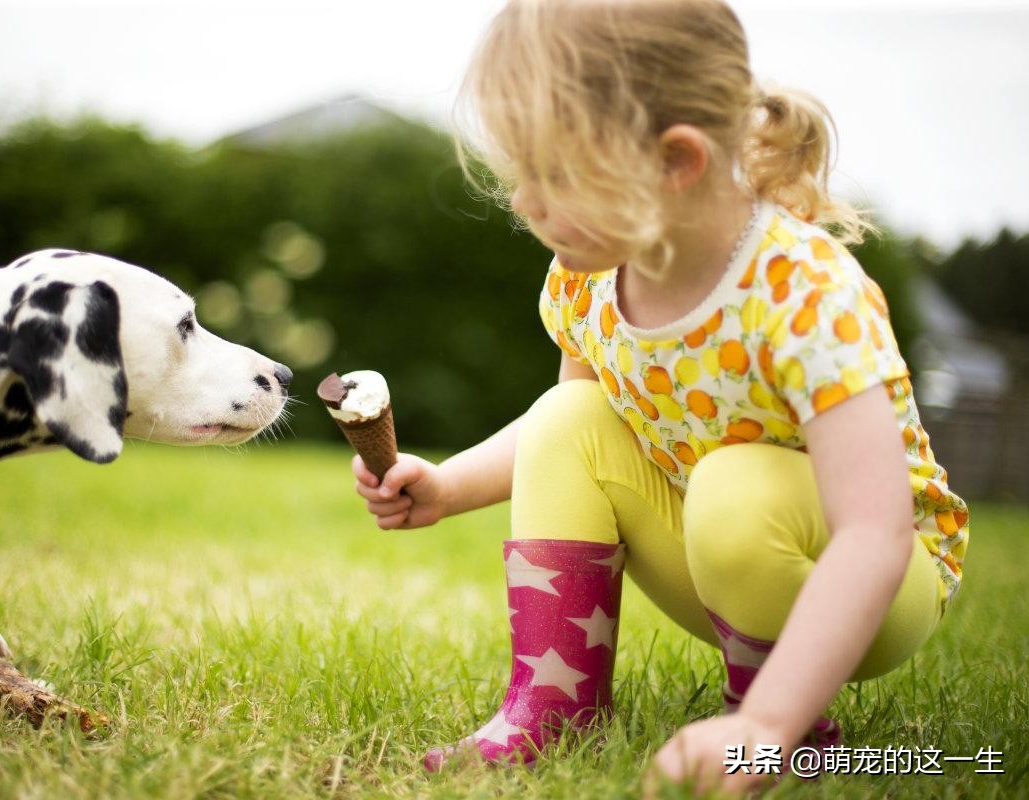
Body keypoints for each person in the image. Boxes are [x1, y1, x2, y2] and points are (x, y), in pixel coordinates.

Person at [350, 0, 968, 792]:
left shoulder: (803, 293)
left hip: (876, 584)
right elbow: (568, 439)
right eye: (519, 171)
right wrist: (448, 485)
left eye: (554, 175)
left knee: (734, 483)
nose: (523, 203)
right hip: (721, 558)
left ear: (676, 161)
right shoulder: (589, 276)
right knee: (570, 411)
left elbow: (874, 536)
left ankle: (781, 721)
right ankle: (554, 706)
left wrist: (765, 726)